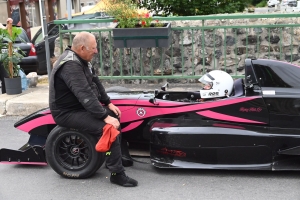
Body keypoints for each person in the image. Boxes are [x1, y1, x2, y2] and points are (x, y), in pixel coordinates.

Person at [49, 32, 138, 187]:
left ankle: (116, 157)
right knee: (108, 127)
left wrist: (108, 104)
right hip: (66, 113)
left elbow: (95, 82)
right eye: (94, 48)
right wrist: (104, 116)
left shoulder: (81, 59)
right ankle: (116, 173)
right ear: (82, 48)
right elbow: (85, 95)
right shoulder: (70, 65)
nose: (96, 51)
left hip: (79, 107)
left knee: (114, 116)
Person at [0, 18, 13, 94]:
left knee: (5, 77)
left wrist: (8, 24)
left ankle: (5, 96)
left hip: (0, 57)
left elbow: (5, 31)